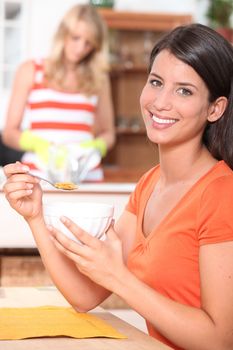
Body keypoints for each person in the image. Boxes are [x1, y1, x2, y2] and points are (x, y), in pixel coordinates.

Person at [3, 23, 233, 350]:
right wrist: (36, 217)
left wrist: (119, 278)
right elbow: (85, 296)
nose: (161, 102)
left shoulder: (222, 192)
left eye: (184, 90)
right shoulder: (149, 185)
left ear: (215, 108)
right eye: (156, 82)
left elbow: (221, 340)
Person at [2, 4, 115, 182]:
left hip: (86, 177)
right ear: (63, 33)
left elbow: (109, 134)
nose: (80, 48)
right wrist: (39, 146)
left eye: (89, 43)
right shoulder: (31, 70)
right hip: (39, 177)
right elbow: (9, 133)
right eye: (75, 38)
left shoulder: (99, 79)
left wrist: (94, 147)